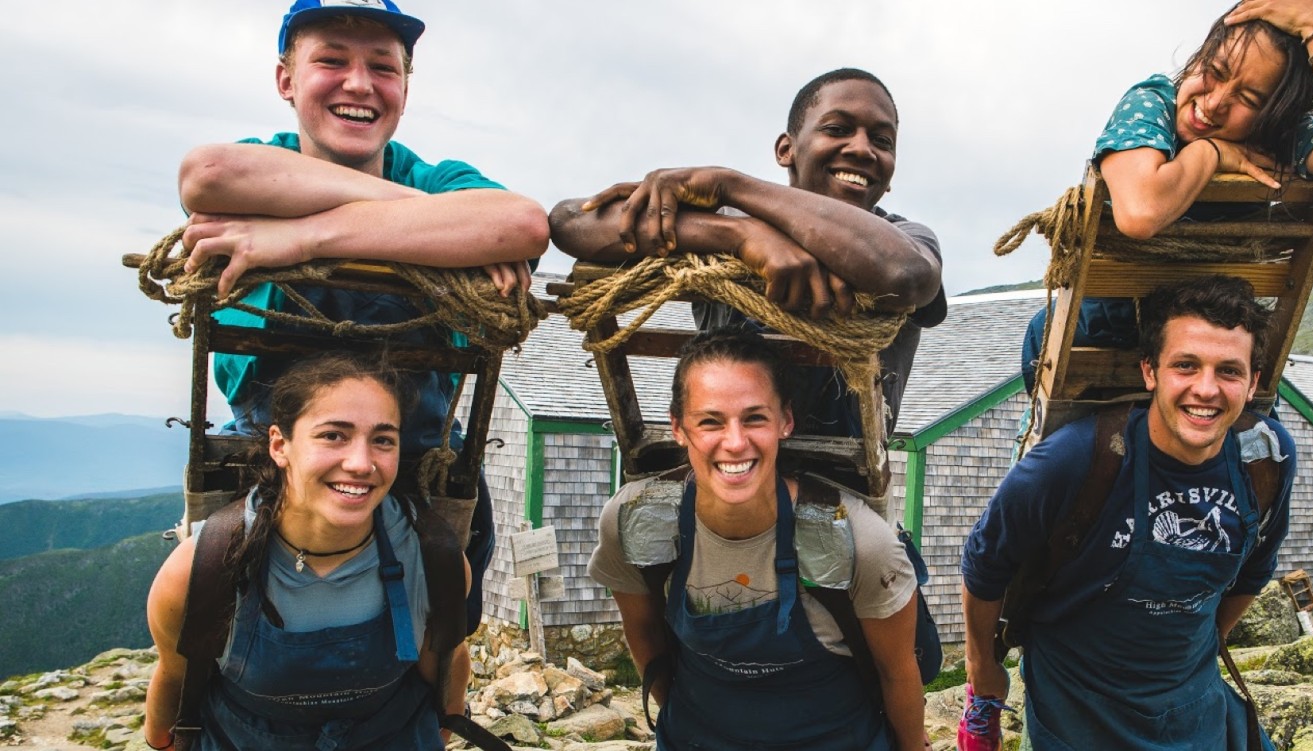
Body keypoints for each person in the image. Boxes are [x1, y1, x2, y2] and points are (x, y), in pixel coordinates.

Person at [176, 0, 549, 633]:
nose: (358, 84)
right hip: (274, 453)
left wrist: (302, 238)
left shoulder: (443, 176)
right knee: (239, 630)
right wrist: (432, 221)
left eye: (383, 67)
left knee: (440, 630)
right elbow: (206, 175)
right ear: (286, 80)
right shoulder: (256, 161)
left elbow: (522, 224)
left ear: (404, 88)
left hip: (422, 455)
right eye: (331, 61)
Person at [961, 275, 1296, 750]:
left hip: (1192, 702)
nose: (1207, 389)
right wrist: (983, 669)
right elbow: (985, 565)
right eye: (1185, 365)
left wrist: (1190, 646)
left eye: (1229, 371)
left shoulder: (1264, 459)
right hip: (1079, 707)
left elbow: (1254, 571)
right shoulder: (1073, 460)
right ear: (1150, 372)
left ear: (1253, 382)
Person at [548, 68, 945, 441]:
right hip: (718, 460)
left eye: (882, 141)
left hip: (843, 486)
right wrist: (738, 233)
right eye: (837, 129)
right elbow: (570, 223)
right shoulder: (730, 223)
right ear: (786, 150)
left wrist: (729, 185)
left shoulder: (907, 238)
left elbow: (906, 274)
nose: (862, 149)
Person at [586, 329, 925, 750]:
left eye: (754, 418)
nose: (735, 442)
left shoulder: (861, 542)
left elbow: (897, 672)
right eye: (710, 421)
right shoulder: (636, 522)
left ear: (785, 421)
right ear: (677, 427)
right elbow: (645, 635)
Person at [1021, 0, 1313, 393]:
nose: (1213, 104)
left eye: (1248, 100)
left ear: (1273, 115)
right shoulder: (1154, 102)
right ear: (1199, 58)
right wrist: (1211, 153)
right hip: (1137, 338)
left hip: (1185, 346)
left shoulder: (1277, 137)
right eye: (1215, 72)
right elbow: (1142, 212)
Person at [143, 354, 469, 751]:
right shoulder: (199, 570)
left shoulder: (433, 559)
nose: (361, 463)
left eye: (383, 440)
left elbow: (446, 668)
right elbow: (173, 693)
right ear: (280, 445)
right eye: (334, 435)